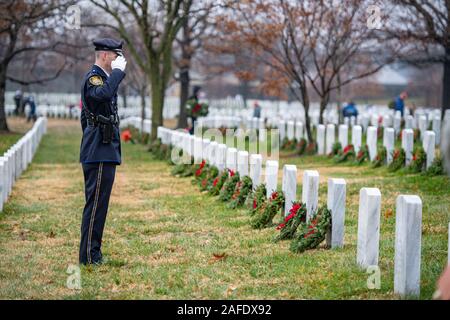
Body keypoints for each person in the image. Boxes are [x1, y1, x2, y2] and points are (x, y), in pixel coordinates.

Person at [79, 38, 127, 265]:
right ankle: (89, 256)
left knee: (100, 205)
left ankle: (93, 253)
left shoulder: (104, 79)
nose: (120, 61)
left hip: (103, 148)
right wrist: (118, 74)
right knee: (96, 204)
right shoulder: (94, 78)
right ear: (105, 55)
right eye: (116, 56)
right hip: (98, 150)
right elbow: (103, 96)